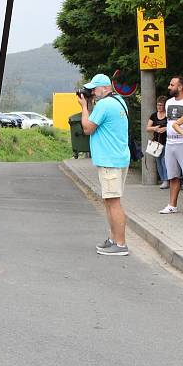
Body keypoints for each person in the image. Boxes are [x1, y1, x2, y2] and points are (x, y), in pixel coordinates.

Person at [78, 73, 130, 256]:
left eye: (94, 88)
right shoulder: (119, 101)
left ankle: (121, 244)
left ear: (105, 88)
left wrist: (84, 106)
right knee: (109, 200)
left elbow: (87, 128)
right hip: (118, 157)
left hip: (110, 160)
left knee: (113, 202)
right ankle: (113, 239)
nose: (92, 92)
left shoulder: (105, 104)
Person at [159, 76, 183, 215]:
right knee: (172, 175)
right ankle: (172, 205)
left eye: (172, 85)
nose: (169, 87)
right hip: (170, 142)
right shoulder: (168, 102)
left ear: (180, 87)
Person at [146, 95, 168, 189]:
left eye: (161, 105)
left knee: (164, 160)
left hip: (167, 140)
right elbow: (147, 128)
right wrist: (155, 128)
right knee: (158, 161)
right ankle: (163, 180)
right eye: (158, 105)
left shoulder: (168, 115)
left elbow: (173, 125)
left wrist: (165, 128)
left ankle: (167, 180)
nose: (159, 107)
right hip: (157, 141)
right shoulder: (154, 115)